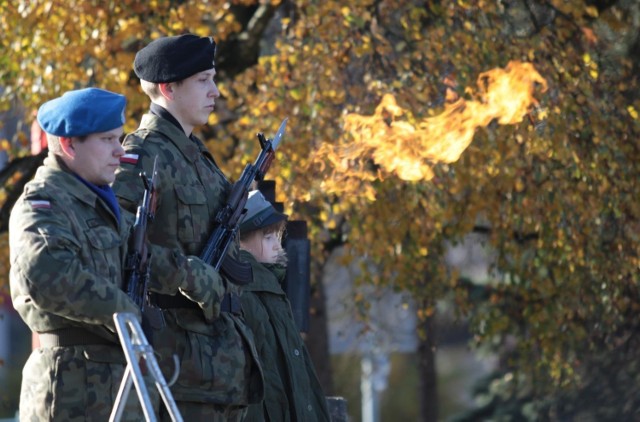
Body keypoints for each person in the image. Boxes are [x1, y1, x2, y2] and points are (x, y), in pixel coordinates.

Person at [113, 34, 264, 421]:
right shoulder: (143, 153)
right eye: (203, 80)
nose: (215, 91)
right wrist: (188, 275)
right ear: (168, 88)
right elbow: (118, 240)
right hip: (179, 366)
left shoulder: (200, 159)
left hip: (224, 367)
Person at [9, 88, 148, 421]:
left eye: (119, 138)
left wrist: (198, 278)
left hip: (114, 382)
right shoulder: (43, 204)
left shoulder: (100, 204)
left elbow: (149, 259)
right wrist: (124, 311)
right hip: (69, 388)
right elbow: (46, 273)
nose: (120, 151)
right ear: (70, 145)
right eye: (107, 140)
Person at [239, 190, 331, 422]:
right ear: (241, 243)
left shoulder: (272, 292)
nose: (277, 248)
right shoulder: (245, 295)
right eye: (268, 237)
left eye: (277, 238)